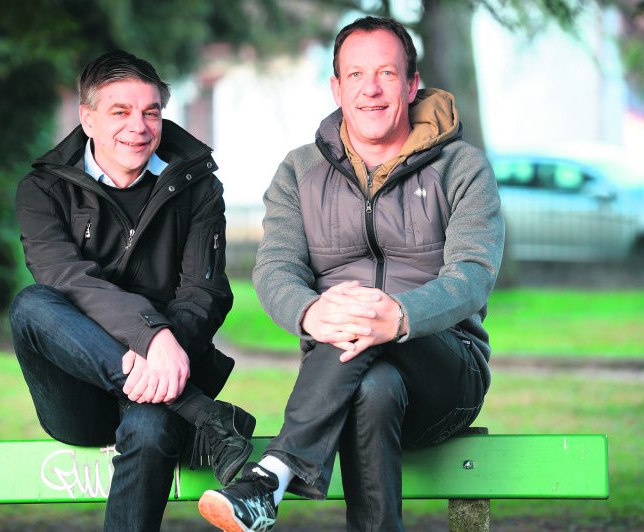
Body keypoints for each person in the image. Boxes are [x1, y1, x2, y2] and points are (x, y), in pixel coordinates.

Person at [198, 16, 503, 532]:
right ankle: (282, 484)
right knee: (375, 386)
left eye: (386, 73)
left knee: (365, 313)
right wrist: (310, 310)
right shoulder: (299, 171)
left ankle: (272, 473)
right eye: (356, 75)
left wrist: (401, 316)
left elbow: (471, 274)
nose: (372, 89)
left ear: (411, 84)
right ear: (337, 87)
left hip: (447, 375)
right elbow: (275, 269)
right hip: (349, 381)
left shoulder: (462, 167)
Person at [9, 50, 255, 532]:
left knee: (150, 425)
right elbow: (66, 279)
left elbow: (204, 295)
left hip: (164, 383)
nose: (138, 126)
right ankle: (203, 416)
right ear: (88, 117)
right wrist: (150, 337)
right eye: (120, 111)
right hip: (77, 397)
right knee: (32, 305)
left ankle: (180, 408)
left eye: (151, 111)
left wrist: (162, 349)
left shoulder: (198, 187)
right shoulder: (42, 190)